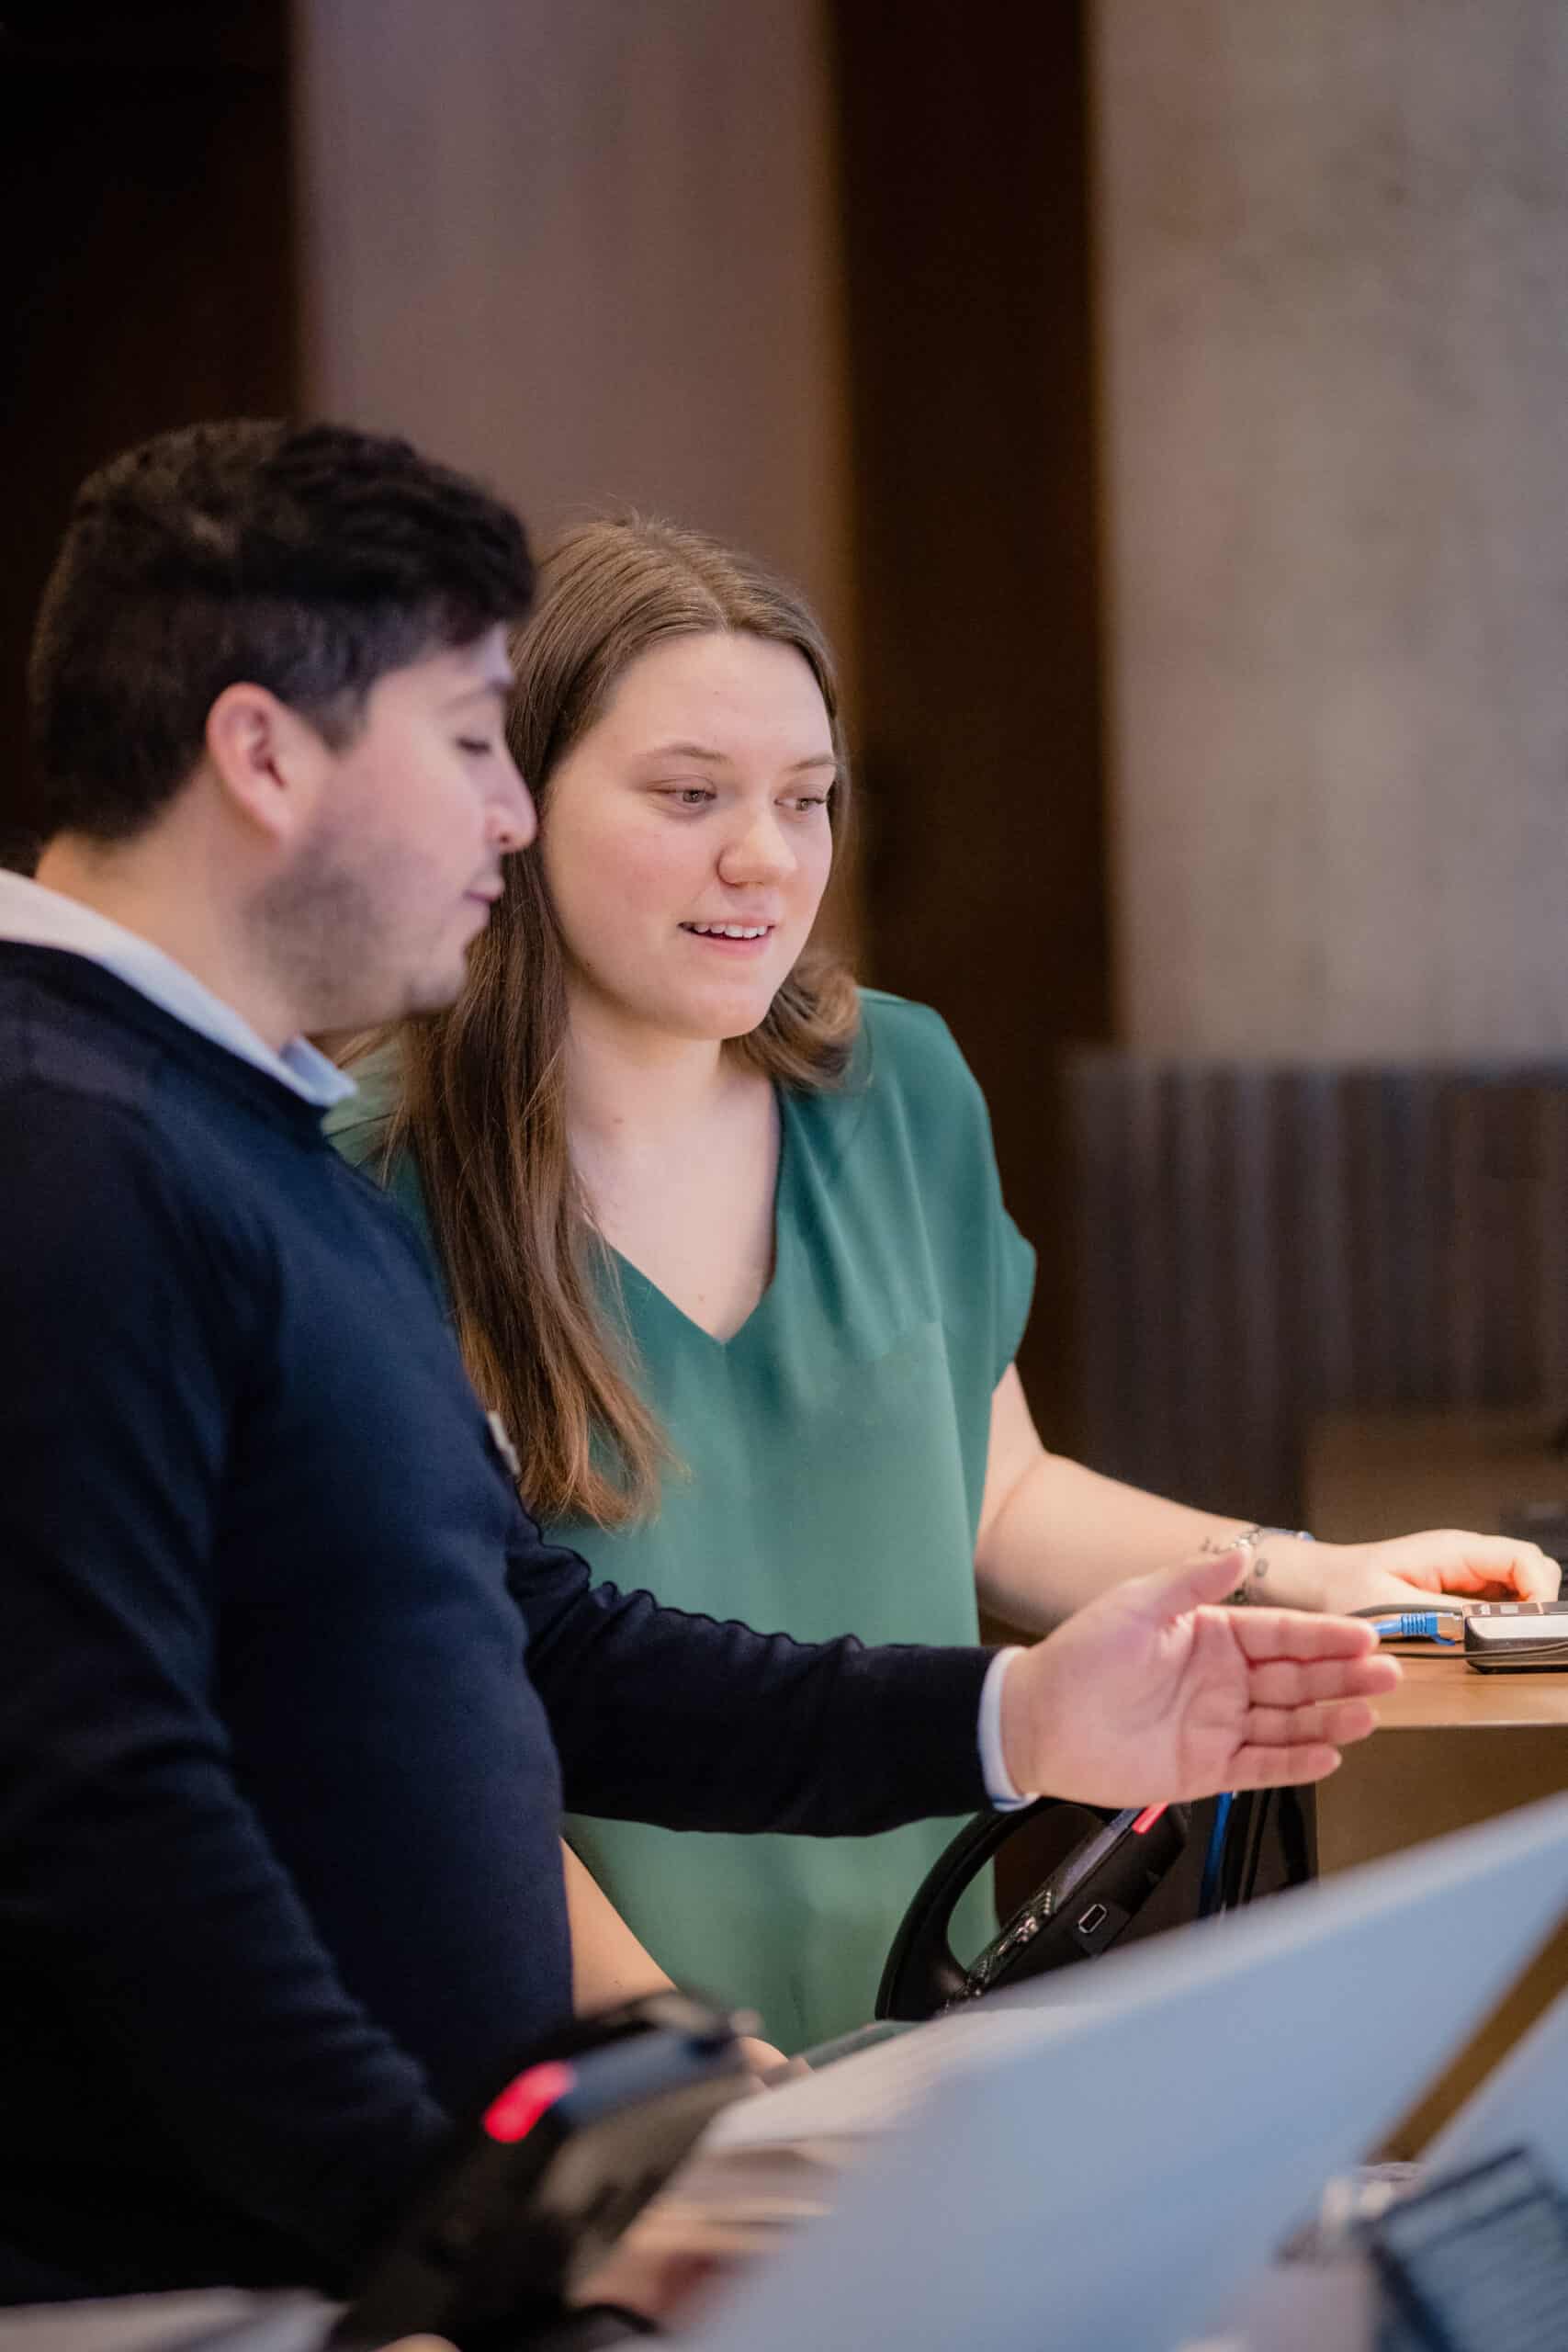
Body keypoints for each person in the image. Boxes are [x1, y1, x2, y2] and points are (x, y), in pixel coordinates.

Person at [0, 422, 1396, 2311]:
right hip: (223, 2268)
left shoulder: (237, 1140)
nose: (499, 816)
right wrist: (464, 2215)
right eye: (471, 745)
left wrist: (1017, 1719)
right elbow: (105, 1800)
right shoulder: (69, 1146)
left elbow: (538, 1642)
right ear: (261, 754)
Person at [332, 515, 1559, 2053]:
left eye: (807, 796)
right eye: (688, 794)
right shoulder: (357, 1181)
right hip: (586, 2064)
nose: (764, 856)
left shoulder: (893, 1085)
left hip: (924, 2013)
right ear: (514, 804)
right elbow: (429, 1724)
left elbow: (994, 1496)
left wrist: (1306, 1573)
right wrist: (668, 2056)